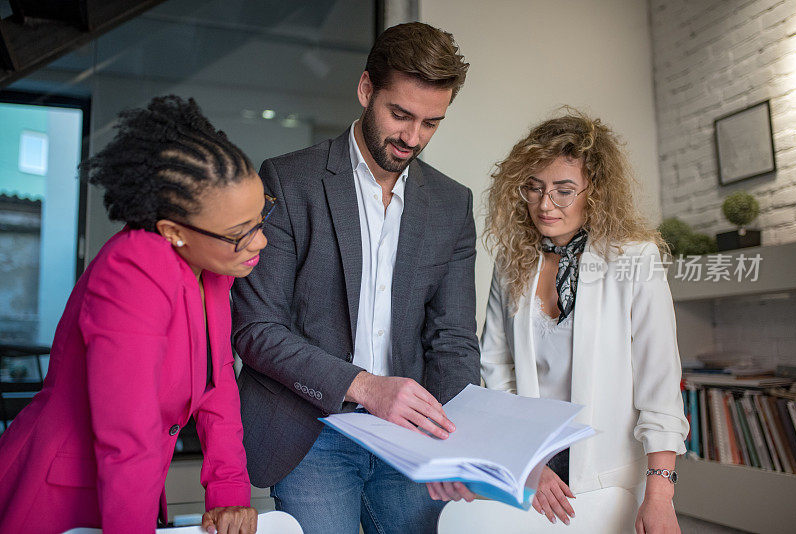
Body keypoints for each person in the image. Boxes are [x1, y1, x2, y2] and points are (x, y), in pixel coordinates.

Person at [232, 21, 480, 534]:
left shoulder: (452, 204)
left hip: (413, 436)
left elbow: (453, 340)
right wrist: (366, 387)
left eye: (432, 123)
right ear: (367, 90)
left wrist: (460, 444)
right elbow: (256, 329)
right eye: (400, 115)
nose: (413, 138)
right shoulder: (287, 179)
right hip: (310, 428)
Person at [0, 96, 265, 534]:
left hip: (130, 494)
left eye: (260, 219)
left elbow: (217, 388)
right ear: (173, 232)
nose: (261, 243)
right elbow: (129, 436)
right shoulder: (133, 270)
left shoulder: (215, 270)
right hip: (61, 500)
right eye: (241, 234)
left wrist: (229, 496)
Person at [480, 110, 689, 533]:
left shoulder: (635, 258)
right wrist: (530, 460)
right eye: (534, 188)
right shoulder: (512, 263)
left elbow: (660, 381)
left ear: (595, 193)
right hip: (534, 466)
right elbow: (496, 367)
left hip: (610, 474)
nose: (544, 204)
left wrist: (661, 493)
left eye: (564, 190)